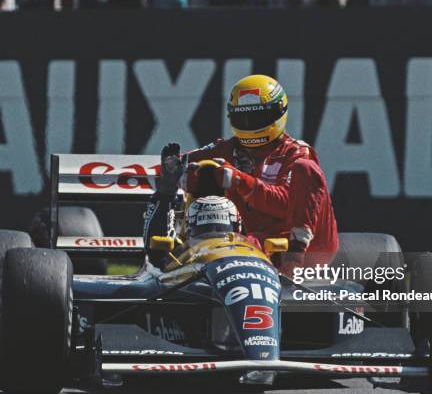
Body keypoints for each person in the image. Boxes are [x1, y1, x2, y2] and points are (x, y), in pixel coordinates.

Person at [145, 75, 339, 277]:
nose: (250, 125)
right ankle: (177, 261)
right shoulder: (224, 149)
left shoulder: (297, 153)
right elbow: (172, 168)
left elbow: (285, 205)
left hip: (311, 251)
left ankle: (293, 263)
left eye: (258, 118)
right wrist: (174, 175)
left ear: (279, 112)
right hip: (252, 243)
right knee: (202, 172)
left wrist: (240, 180)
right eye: (243, 119)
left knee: (306, 169)